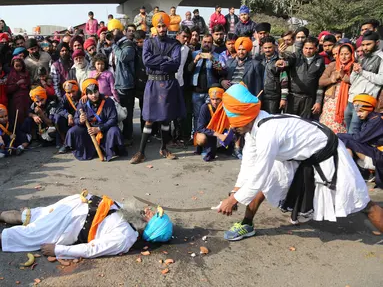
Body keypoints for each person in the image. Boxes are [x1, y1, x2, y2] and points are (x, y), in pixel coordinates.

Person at [215, 83, 383, 241]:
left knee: (362, 202)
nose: (231, 127)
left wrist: (233, 201)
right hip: (302, 156)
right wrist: (235, 192)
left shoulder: (267, 132)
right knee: (266, 180)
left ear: (244, 116)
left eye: (233, 121)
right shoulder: (253, 128)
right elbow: (249, 165)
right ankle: (247, 224)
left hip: (330, 154)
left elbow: (259, 172)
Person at [0, 191, 173, 258]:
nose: (149, 210)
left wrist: (58, 250)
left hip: (68, 225)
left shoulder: (125, 238)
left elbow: (92, 249)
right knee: (26, 216)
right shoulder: (130, 212)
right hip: (73, 204)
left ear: (150, 228)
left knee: (25, 235)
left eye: (153, 215)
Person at [129, 12, 185, 164]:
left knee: (166, 119)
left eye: (164, 26)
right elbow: (147, 61)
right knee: (149, 119)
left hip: (168, 84)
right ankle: (141, 152)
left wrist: (159, 61)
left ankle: (164, 148)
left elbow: (176, 63)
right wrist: (165, 59)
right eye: (159, 26)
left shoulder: (174, 44)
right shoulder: (148, 42)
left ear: (167, 26)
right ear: (155, 27)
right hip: (153, 84)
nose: (161, 29)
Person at [64, 78, 125, 161]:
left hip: (105, 129)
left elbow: (113, 119)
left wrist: (99, 128)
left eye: (95, 92)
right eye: (90, 93)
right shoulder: (82, 102)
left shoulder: (108, 101)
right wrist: (80, 120)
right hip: (89, 131)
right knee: (73, 131)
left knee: (114, 131)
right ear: (86, 94)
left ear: (98, 90)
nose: (94, 95)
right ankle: (87, 151)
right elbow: (76, 119)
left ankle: (110, 151)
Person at [338, 95, 383, 188]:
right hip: (376, 151)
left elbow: (359, 138)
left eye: (361, 111)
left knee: (345, 140)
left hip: (380, 155)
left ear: (370, 109)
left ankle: (348, 171)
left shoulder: (376, 120)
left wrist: (338, 135)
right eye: (357, 111)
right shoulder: (370, 119)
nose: (358, 114)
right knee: (344, 140)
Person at [276, 36, 325, 119]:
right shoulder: (296, 56)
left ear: (316, 48)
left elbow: (320, 83)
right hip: (293, 98)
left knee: (305, 125)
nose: (308, 51)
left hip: (309, 100)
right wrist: (281, 58)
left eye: (311, 48)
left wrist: (318, 102)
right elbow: (287, 62)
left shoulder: (320, 60)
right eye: (306, 48)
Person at [345, 31, 383, 134]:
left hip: (363, 101)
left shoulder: (381, 59)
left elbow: (381, 80)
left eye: (368, 44)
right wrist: (354, 70)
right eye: (363, 45)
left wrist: (362, 72)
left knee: (354, 131)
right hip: (351, 99)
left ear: (377, 43)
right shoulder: (362, 58)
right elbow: (353, 81)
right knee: (348, 129)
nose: (365, 48)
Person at [189, 34, 222, 143]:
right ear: (201, 42)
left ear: (212, 44)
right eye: (205, 42)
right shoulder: (194, 54)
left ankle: (211, 140)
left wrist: (213, 60)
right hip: (196, 92)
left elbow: (221, 72)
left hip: (210, 93)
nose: (206, 44)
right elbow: (188, 70)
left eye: (209, 42)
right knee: (197, 116)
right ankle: (196, 140)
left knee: (211, 116)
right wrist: (195, 60)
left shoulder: (216, 56)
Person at [107, 19, 136, 144]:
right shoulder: (117, 45)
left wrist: (113, 44)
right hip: (117, 83)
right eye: (111, 31)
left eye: (114, 30)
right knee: (120, 112)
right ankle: (122, 136)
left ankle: (128, 137)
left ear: (120, 30)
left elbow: (124, 57)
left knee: (127, 112)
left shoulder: (127, 44)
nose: (112, 33)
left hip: (126, 84)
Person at [319, 44, 355, 134]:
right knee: (328, 128)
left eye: (346, 54)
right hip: (331, 101)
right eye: (341, 54)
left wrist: (343, 76)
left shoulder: (355, 66)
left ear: (352, 54)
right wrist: (331, 79)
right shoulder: (333, 65)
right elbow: (321, 81)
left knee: (343, 128)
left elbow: (356, 82)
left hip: (347, 101)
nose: (343, 57)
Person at [195, 85, 230, 161]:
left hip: (223, 131)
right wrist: (218, 134)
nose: (215, 102)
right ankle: (204, 148)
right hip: (209, 133)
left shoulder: (226, 107)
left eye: (217, 99)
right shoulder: (205, 107)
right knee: (202, 138)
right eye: (212, 99)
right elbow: (200, 128)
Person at [256, 36, 287, 114]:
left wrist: (283, 98)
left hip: (273, 97)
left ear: (274, 46)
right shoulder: (258, 59)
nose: (267, 50)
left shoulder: (280, 60)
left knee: (272, 120)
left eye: (270, 47)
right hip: (259, 96)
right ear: (262, 48)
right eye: (265, 48)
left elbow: (284, 80)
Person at [55, 80, 80, 153]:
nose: (71, 95)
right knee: (58, 118)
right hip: (70, 120)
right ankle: (65, 142)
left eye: (73, 91)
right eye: (69, 92)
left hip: (80, 119)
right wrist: (68, 115)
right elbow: (58, 109)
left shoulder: (83, 95)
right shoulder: (66, 97)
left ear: (77, 89)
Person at [6, 56, 31, 127]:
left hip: (25, 99)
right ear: (13, 66)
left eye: (20, 66)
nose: (19, 68)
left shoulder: (26, 74)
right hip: (16, 101)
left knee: (26, 116)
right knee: (18, 117)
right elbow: (8, 89)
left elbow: (29, 85)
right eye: (16, 66)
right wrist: (17, 83)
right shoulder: (11, 75)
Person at [134, 30, 148, 132]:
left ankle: (153, 131)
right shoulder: (134, 51)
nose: (139, 44)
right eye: (137, 42)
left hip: (149, 83)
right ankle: (144, 130)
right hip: (139, 85)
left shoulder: (150, 49)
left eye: (141, 42)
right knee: (143, 109)